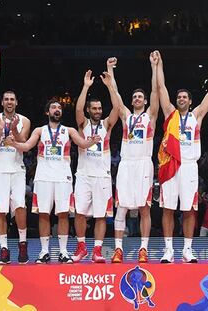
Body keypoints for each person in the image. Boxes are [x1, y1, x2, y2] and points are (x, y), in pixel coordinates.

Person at [7, 100, 101, 264]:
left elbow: (83, 144)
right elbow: (27, 146)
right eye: (53, 107)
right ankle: (44, 251)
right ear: (47, 112)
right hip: (43, 177)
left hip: (63, 178)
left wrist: (91, 141)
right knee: (44, 214)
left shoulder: (69, 130)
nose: (57, 110)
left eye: (59, 108)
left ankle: (63, 251)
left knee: (63, 214)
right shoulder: (39, 130)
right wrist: (14, 143)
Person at [156, 50, 208, 263]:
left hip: (190, 168)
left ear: (190, 101)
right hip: (171, 165)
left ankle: (187, 249)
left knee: (189, 210)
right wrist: (158, 64)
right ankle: (168, 250)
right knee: (168, 209)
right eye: (179, 97)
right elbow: (160, 88)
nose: (181, 99)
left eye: (185, 97)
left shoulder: (197, 116)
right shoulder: (170, 114)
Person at [104, 53, 159, 263]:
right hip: (126, 165)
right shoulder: (126, 116)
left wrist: (154, 67)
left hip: (144, 164)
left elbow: (155, 91)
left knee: (145, 208)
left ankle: (143, 249)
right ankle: (118, 250)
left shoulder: (150, 117)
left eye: (139, 97)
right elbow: (115, 95)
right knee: (122, 206)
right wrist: (110, 71)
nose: (136, 99)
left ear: (145, 101)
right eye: (134, 96)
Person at [72, 66, 120, 263]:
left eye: (100, 108)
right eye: (95, 108)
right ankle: (82, 246)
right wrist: (85, 87)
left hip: (102, 175)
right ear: (89, 110)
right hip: (83, 174)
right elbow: (77, 109)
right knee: (80, 213)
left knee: (101, 215)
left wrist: (110, 87)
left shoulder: (106, 124)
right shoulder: (82, 125)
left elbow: (117, 108)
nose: (98, 111)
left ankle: (97, 251)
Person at [0, 91, 31, 264]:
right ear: (2, 102)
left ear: (16, 102)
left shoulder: (24, 120)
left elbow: (23, 145)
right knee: (0, 210)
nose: (9, 102)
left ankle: (22, 244)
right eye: (6, 99)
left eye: (12, 99)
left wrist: (13, 130)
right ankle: (4, 249)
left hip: (16, 169)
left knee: (20, 206)